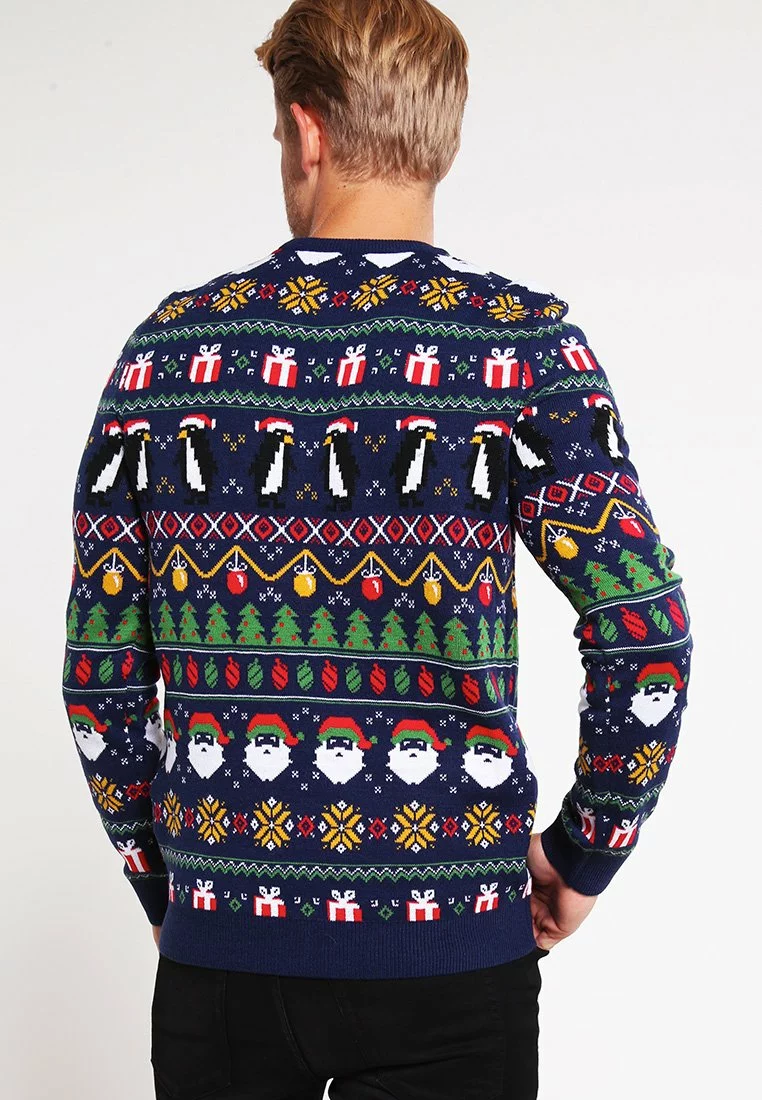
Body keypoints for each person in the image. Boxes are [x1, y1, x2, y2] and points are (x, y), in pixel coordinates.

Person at [60, 2, 693, 1097]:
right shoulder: (520, 345)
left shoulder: (169, 352)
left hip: (224, 965)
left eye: (279, 134)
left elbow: (100, 675)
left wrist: (171, 888)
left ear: (307, 131)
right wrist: (581, 853)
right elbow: (647, 635)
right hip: (454, 956)